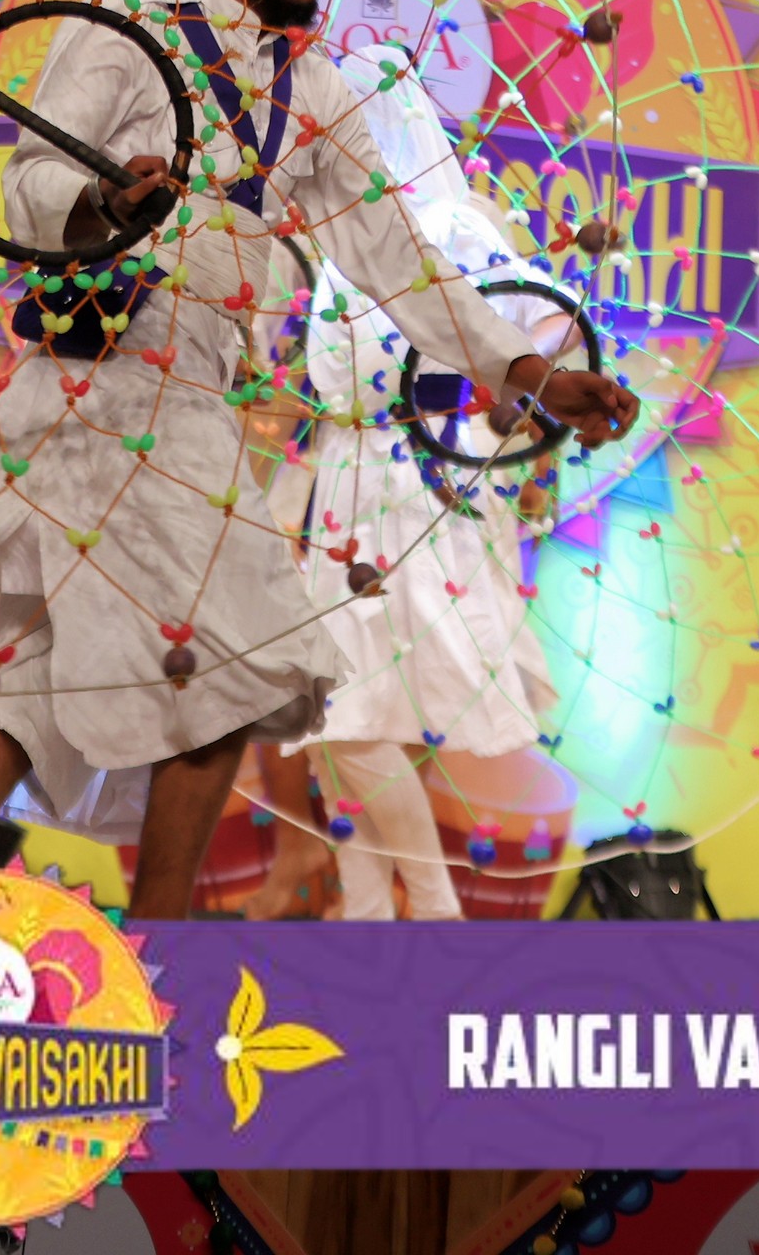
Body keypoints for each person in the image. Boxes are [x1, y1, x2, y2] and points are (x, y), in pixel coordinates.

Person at [0, 0, 637, 919]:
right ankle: (159, 948)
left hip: (184, 414)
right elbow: (27, 184)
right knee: (221, 672)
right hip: (88, 401)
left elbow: (396, 257)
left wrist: (526, 372)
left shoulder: (315, 91)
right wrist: (103, 201)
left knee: (15, 721)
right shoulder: (122, 35)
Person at [276, 50, 565, 921]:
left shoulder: (457, 228)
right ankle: (370, 911)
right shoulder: (329, 237)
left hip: (424, 476)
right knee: (340, 719)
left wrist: (521, 434)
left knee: (354, 714)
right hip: (346, 476)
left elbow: (547, 331)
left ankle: (431, 906)